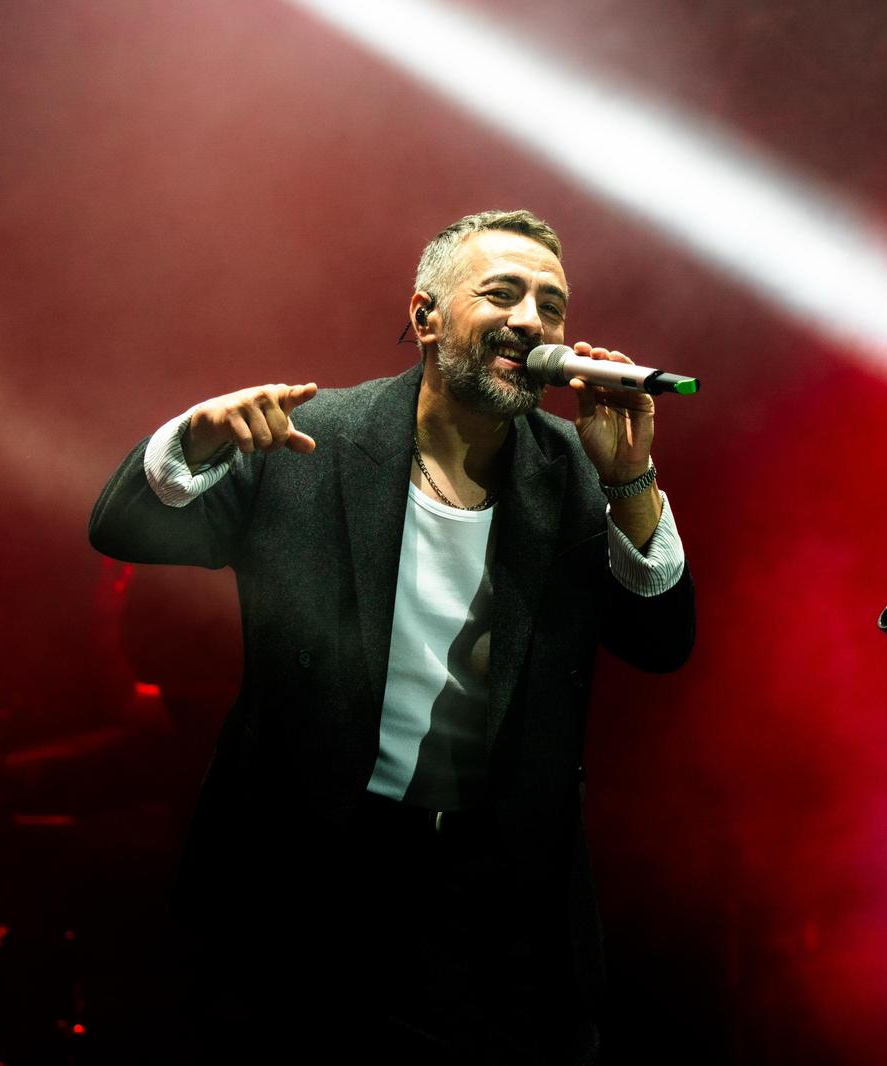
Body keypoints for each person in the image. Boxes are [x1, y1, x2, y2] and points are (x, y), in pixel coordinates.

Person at [88, 209, 694, 1063]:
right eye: (503, 294)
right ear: (425, 318)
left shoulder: (573, 470)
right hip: (311, 882)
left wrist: (630, 479)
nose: (531, 321)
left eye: (551, 306)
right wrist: (194, 437)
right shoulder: (311, 441)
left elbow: (662, 643)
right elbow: (122, 527)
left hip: (499, 904)